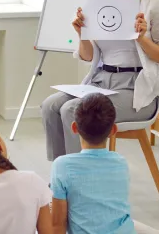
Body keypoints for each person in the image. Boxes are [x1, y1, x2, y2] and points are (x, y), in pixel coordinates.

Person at [41, 0, 159, 160]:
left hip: (135, 90)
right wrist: (82, 34)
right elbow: (88, 57)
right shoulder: (98, 5)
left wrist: (142, 38)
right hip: (100, 82)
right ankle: (62, 172)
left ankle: (80, 175)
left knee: (72, 110)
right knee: (50, 106)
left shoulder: (153, 4)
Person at [51, 93, 135, 234]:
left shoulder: (62, 165)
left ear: (74, 128)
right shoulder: (121, 162)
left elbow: (58, 225)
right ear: (113, 130)